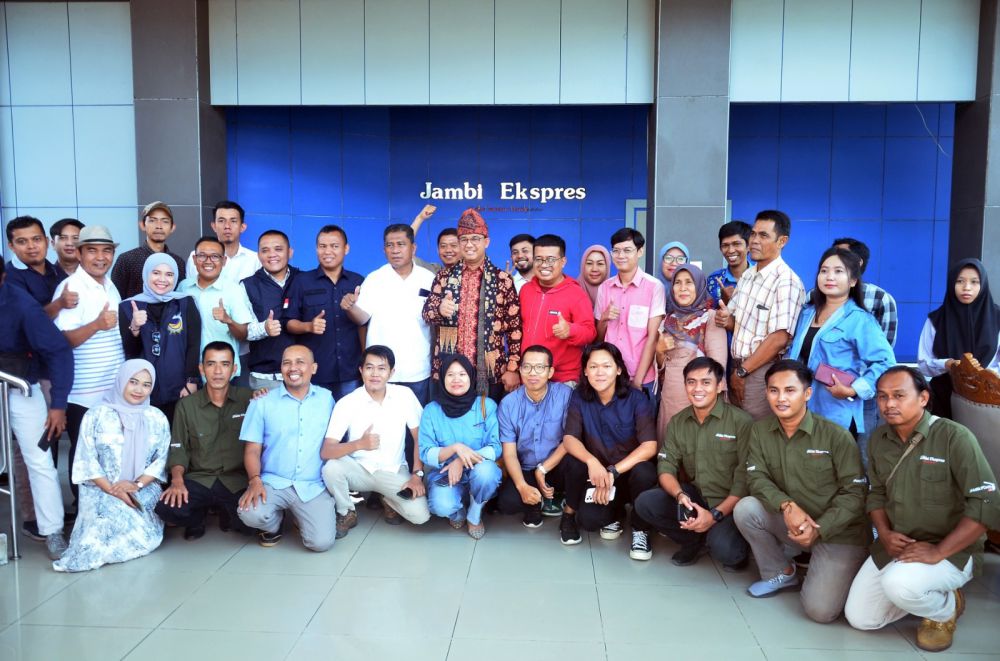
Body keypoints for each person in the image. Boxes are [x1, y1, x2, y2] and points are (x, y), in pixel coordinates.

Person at [844, 367, 1000, 652]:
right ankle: (922, 589)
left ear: (924, 398)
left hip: (951, 549)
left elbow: (986, 502)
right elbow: (876, 493)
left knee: (899, 584)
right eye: (882, 397)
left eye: (899, 395)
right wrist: (885, 534)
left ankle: (944, 610)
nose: (889, 404)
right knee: (861, 618)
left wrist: (938, 552)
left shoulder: (954, 436)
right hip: (899, 544)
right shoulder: (879, 439)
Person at [734, 360, 869, 622]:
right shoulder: (760, 431)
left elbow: (855, 494)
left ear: (807, 394)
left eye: (790, 390)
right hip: (793, 521)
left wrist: (820, 528)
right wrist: (787, 505)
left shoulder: (835, 436)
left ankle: (845, 567)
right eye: (773, 390)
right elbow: (756, 477)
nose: (781, 398)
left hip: (838, 532)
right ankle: (781, 572)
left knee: (820, 612)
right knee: (747, 508)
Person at [52, 359, 171, 572]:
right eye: (133, 382)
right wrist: (112, 489)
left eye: (146, 384)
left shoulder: (156, 417)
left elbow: (160, 460)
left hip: (142, 488)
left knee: (141, 535)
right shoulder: (96, 415)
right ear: (121, 381)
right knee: (102, 524)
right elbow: (86, 459)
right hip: (99, 488)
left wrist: (136, 485)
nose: (139, 390)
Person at [633, 357, 752, 569]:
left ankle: (717, 536)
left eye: (706, 382)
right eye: (691, 382)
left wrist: (714, 516)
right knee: (645, 503)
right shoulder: (679, 421)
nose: (698, 388)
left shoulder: (741, 422)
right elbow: (666, 466)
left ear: (720, 386)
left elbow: (745, 480)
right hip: (696, 497)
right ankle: (693, 540)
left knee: (727, 553)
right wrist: (680, 495)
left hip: (730, 505)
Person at [0, 260, 73, 559]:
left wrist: (57, 405)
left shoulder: (23, 305)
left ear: (3, 277)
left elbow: (58, 351)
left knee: (39, 460)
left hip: (19, 385)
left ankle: (53, 530)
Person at [560, 342, 658, 559]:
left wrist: (614, 471)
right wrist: (592, 462)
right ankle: (614, 513)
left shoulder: (636, 399)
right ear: (585, 371)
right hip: (598, 477)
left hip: (627, 474)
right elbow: (569, 438)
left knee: (646, 472)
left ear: (619, 369)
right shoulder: (580, 396)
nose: (600, 372)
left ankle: (640, 529)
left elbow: (650, 446)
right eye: (593, 367)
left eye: (606, 366)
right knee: (589, 521)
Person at [53, 225, 126, 511]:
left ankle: (106, 510)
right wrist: (96, 324)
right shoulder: (71, 288)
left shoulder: (109, 285)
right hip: (83, 391)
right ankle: (83, 511)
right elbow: (62, 341)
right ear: (80, 253)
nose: (100, 257)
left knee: (107, 450)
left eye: (106, 251)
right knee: (84, 454)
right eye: (92, 250)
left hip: (112, 387)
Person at [321, 345, 430, 536]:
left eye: (382, 368)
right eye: (369, 367)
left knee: (420, 516)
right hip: (359, 470)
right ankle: (346, 511)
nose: (375, 374)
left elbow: (419, 437)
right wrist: (359, 444)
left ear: (391, 372)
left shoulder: (404, 395)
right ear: (361, 370)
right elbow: (326, 451)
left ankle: (387, 498)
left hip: (393, 470)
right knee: (331, 468)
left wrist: (417, 475)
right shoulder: (347, 403)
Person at [237, 345, 337, 551]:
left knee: (321, 543)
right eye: (287, 362)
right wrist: (254, 481)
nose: (293, 368)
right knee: (249, 512)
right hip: (273, 481)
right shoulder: (262, 401)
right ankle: (274, 524)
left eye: (300, 362)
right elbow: (252, 450)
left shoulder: (327, 399)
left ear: (314, 368)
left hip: (312, 484)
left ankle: (302, 516)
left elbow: (335, 443)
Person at [788, 248, 895, 438]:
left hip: (836, 411)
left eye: (838, 271)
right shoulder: (806, 313)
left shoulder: (860, 320)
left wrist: (854, 389)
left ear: (853, 281)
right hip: (800, 408)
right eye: (824, 270)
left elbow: (885, 363)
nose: (829, 276)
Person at [154, 342, 253, 540]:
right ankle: (196, 517)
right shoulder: (186, 405)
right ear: (201, 368)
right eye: (211, 364)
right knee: (168, 509)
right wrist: (177, 481)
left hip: (236, 480)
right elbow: (178, 447)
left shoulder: (250, 399)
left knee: (252, 524)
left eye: (225, 364)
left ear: (234, 369)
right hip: (199, 478)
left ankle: (228, 512)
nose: (217, 371)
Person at [422, 209, 522, 401]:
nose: (469, 244)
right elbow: (426, 314)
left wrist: (512, 369)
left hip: (491, 371)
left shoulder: (503, 280)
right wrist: (439, 310)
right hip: (450, 372)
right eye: (464, 239)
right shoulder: (444, 277)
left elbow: (515, 329)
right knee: (450, 426)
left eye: (475, 238)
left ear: (486, 242)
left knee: (485, 423)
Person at [716, 210, 806, 420]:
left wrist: (742, 372)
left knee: (758, 433)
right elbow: (737, 323)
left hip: (760, 370)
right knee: (740, 433)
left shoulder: (786, 281)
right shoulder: (748, 275)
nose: (754, 241)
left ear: (782, 241)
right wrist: (725, 320)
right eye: (753, 234)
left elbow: (779, 338)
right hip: (738, 365)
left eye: (763, 236)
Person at [343, 223, 435, 405]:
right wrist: (350, 307)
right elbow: (362, 318)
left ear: (413, 248)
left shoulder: (429, 278)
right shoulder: (374, 279)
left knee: (415, 427)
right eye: (389, 245)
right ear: (384, 249)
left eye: (401, 244)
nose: (395, 250)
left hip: (417, 368)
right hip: (380, 371)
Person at [419, 355, 502, 539]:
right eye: (450, 375)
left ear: (471, 377)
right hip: (445, 473)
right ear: (442, 378)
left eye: (462, 374)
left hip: (478, 469)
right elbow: (425, 453)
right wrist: (455, 448)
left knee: (487, 474)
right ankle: (458, 512)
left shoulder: (485, 406)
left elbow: (495, 448)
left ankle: (474, 514)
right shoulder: (432, 410)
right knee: (441, 506)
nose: (456, 379)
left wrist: (460, 461)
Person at [285, 225, 365, 399]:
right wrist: (308, 326)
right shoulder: (302, 281)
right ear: (316, 249)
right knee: (317, 424)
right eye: (322, 246)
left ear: (346, 249)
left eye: (334, 246)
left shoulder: (358, 281)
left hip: (350, 371)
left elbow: (365, 324)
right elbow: (289, 322)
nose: (327, 251)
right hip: (316, 371)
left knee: (349, 424)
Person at [119, 253, 201, 422]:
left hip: (179, 389)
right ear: (146, 273)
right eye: (156, 273)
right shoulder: (129, 306)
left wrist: (191, 381)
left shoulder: (185, 303)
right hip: (142, 390)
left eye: (169, 274)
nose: (162, 279)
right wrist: (134, 327)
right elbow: (130, 353)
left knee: (177, 440)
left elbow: (193, 345)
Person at [497, 345, 573, 527]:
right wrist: (522, 486)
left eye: (540, 367)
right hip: (526, 467)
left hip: (556, 464)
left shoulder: (565, 395)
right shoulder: (508, 404)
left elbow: (570, 440)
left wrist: (544, 469)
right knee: (508, 503)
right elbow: (509, 454)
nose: (533, 373)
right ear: (521, 370)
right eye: (527, 367)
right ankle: (533, 501)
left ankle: (559, 497)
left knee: (576, 465)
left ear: (550, 372)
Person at [918, 258, 1000, 419]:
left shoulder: (998, 318)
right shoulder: (936, 320)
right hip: (943, 398)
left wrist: (987, 375)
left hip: (991, 402)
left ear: (983, 285)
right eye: (960, 281)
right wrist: (947, 364)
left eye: (974, 282)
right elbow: (923, 363)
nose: (967, 287)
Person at [655, 264, 728, 438]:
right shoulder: (668, 320)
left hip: (700, 395)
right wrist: (659, 350)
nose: (683, 288)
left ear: (699, 285)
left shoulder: (710, 318)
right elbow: (661, 367)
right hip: (671, 397)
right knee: (671, 447)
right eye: (678, 283)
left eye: (689, 282)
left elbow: (717, 366)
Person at [518, 234, 596, 384]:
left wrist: (570, 330)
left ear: (563, 261)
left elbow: (590, 332)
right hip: (530, 377)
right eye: (539, 259)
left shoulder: (576, 293)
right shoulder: (525, 290)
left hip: (562, 380)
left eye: (551, 259)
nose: (544, 264)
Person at [594, 228, 665, 393]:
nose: (621, 256)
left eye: (627, 250)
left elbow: (653, 338)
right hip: (609, 376)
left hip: (642, 378)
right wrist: (604, 319)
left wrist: (638, 381)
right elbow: (598, 337)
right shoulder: (605, 288)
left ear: (640, 252)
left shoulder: (654, 287)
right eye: (616, 251)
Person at [176, 236, 255, 380]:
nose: (208, 261)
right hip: (188, 370)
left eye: (215, 256)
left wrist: (228, 320)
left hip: (223, 373)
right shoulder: (183, 287)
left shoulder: (234, 290)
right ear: (194, 259)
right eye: (202, 256)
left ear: (224, 261)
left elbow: (243, 334)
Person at [241, 230, 299, 392]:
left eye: (278, 249)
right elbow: (243, 331)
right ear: (258, 255)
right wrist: (264, 329)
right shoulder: (247, 285)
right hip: (265, 378)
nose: (272, 255)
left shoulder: (304, 279)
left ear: (290, 252)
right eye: (265, 250)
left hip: (303, 374)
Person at [111, 201, 186, 299]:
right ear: (142, 225)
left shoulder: (178, 262)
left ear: (172, 227)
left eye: (165, 221)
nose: (159, 226)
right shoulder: (126, 259)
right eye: (152, 220)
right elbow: (116, 298)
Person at [5, 215, 72, 318]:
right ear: (11, 246)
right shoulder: (8, 277)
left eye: (36, 239)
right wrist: (59, 304)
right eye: (22, 241)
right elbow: (25, 320)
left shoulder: (56, 270)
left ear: (46, 241)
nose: (31, 246)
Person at [185, 201, 259, 284]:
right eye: (221, 221)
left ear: (242, 227)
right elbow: (189, 289)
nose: (227, 226)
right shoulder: (196, 257)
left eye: (233, 221)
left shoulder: (255, 260)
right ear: (214, 226)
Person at [707, 220, 753, 306]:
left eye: (737, 244)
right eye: (725, 245)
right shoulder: (713, 279)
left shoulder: (760, 277)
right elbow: (707, 315)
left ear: (749, 246)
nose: (731, 250)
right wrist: (723, 301)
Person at [576, 244, 610, 311]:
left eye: (600, 264)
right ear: (583, 266)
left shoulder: (615, 293)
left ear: (607, 267)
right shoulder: (572, 291)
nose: (594, 269)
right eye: (589, 263)